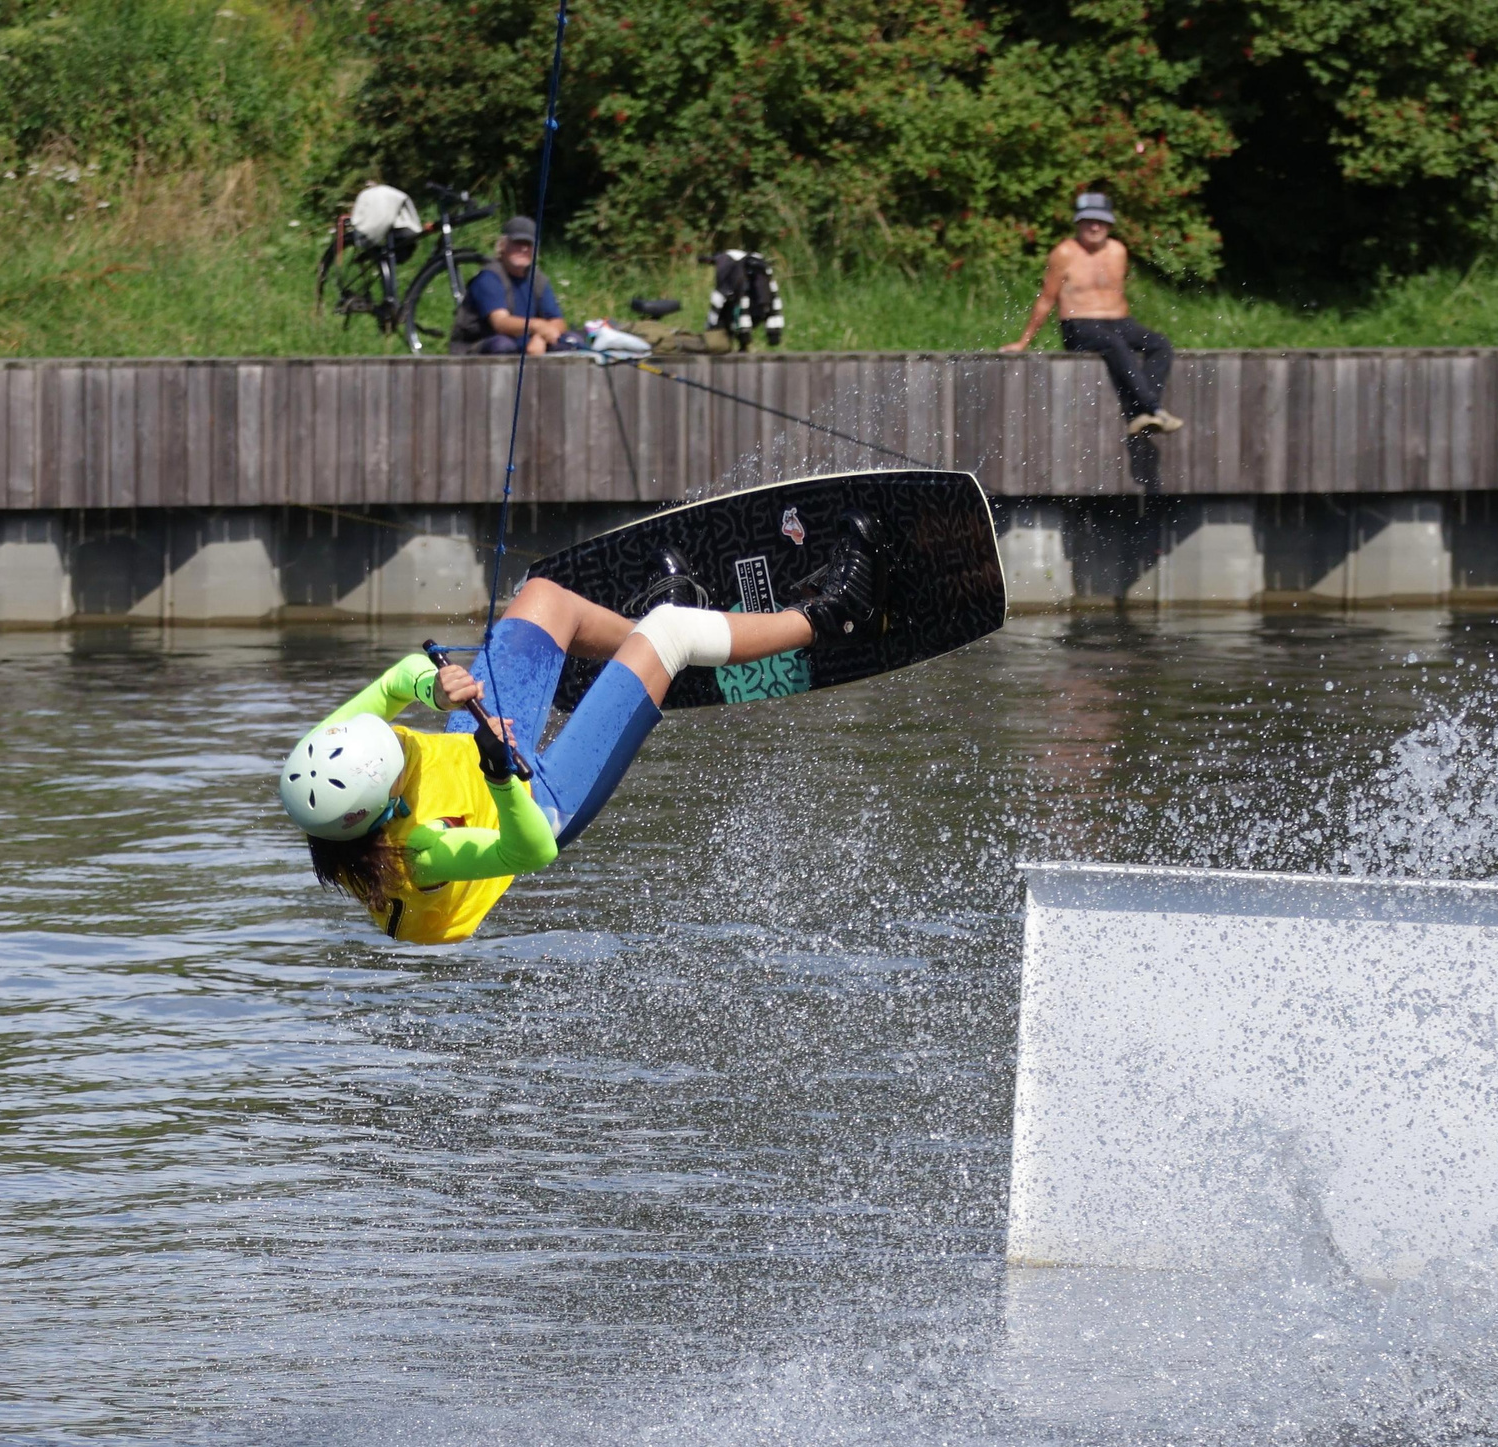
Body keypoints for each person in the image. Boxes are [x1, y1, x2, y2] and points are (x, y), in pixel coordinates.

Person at [278, 531, 878, 945]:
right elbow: (530, 851)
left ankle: (653, 647)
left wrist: (437, 689)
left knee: (544, 598)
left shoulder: (329, 754)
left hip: (473, 765)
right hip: (532, 807)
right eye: (400, 760)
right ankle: (830, 618)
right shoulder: (426, 853)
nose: (400, 744)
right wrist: (503, 776)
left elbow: (393, 683)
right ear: (389, 803)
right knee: (670, 634)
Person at [1000, 192, 1183, 437]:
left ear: (1109, 224)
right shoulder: (1064, 253)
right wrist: (1024, 341)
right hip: (1079, 325)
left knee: (1160, 344)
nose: (1095, 226)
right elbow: (1046, 298)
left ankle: (1144, 413)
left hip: (1119, 321)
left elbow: (1113, 293)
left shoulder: (1118, 250)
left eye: (1101, 221)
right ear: (1078, 223)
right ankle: (1153, 409)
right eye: (1088, 221)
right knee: (1115, 344)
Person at [462, 216, 568, 356]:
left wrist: (541, 337)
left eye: (528, 244)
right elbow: (500, 323)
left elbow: (558, 321)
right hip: (480, 348)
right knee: (503, 345)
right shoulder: (489, 277)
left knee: (568, 341)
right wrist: (538, 326)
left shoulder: (538, 279)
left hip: (528, 346)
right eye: (517, 243)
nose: (523, 248)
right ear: (502, 245)